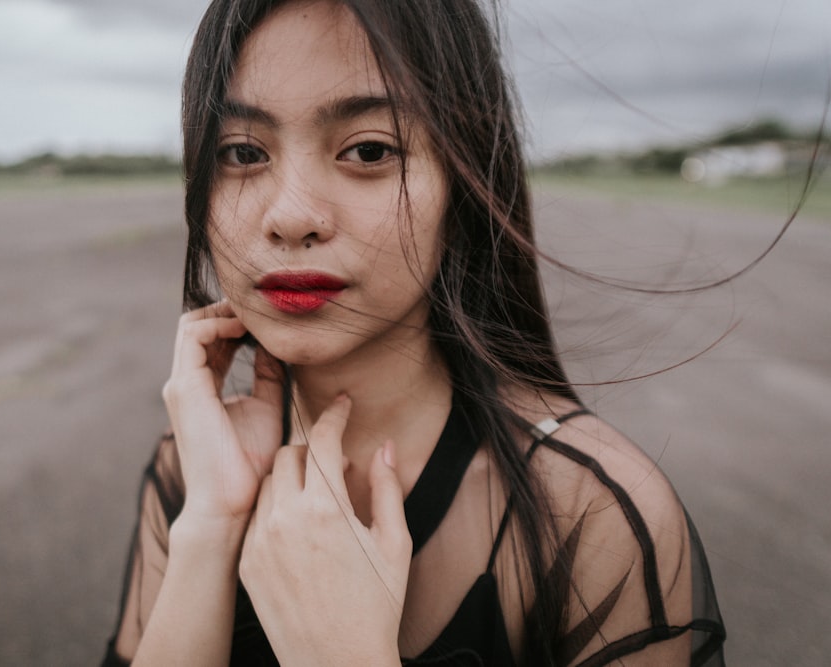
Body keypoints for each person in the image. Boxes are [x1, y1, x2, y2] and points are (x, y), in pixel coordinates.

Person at [102, 0, 726, 664]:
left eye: (369, 149)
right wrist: (209, 529)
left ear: (463, 185)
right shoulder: (194, 470)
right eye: (243, 152)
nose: (290, 216)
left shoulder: (592, 516)